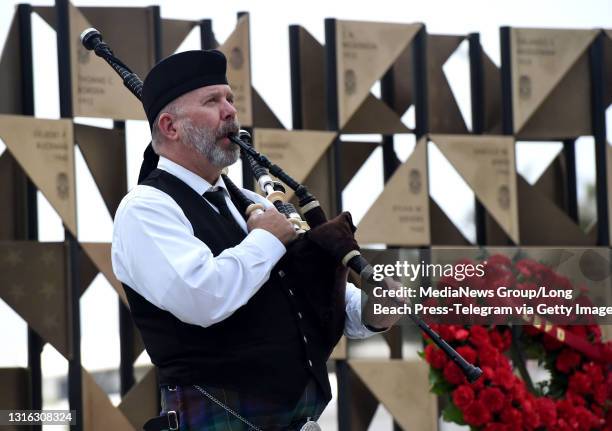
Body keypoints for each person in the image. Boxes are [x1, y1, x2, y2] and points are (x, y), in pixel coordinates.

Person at [111, 49, 399, 431]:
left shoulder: (253, 203)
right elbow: (202, 297)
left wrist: (370, 309)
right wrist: (266, 240)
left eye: (229, 98)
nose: (230, 111)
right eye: (212, 101)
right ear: (170, 126)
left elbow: (305, 299)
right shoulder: (145, 209)